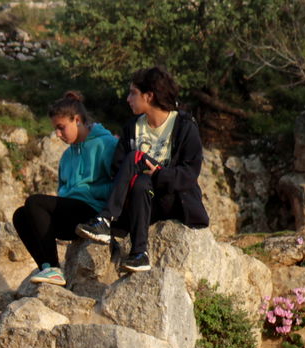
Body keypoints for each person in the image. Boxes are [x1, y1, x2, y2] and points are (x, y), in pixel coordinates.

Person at [75, 66, 209, 273]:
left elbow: (190, 174)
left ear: (149, 96)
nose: (128, 98)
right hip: (141, 201)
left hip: (172, 199)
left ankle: (106, 218)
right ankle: (139, 254)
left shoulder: (184, 126)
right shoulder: (132, 127)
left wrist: (159, 174)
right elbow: (117, 169)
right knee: (140, 182)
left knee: (135, 158)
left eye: (133, 93)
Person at [12, 91, 117, 287]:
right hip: (71, 214)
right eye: (55, 130)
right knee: (20, 215)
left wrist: (89, 192)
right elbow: (63, 192)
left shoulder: (106, 144)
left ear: (76, 120)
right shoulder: (67, 156)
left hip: (94, 212)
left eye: (61, 128)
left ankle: (53, 267)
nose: (58, 134)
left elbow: (119, 184)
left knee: (34, 202)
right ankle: (47, 267)